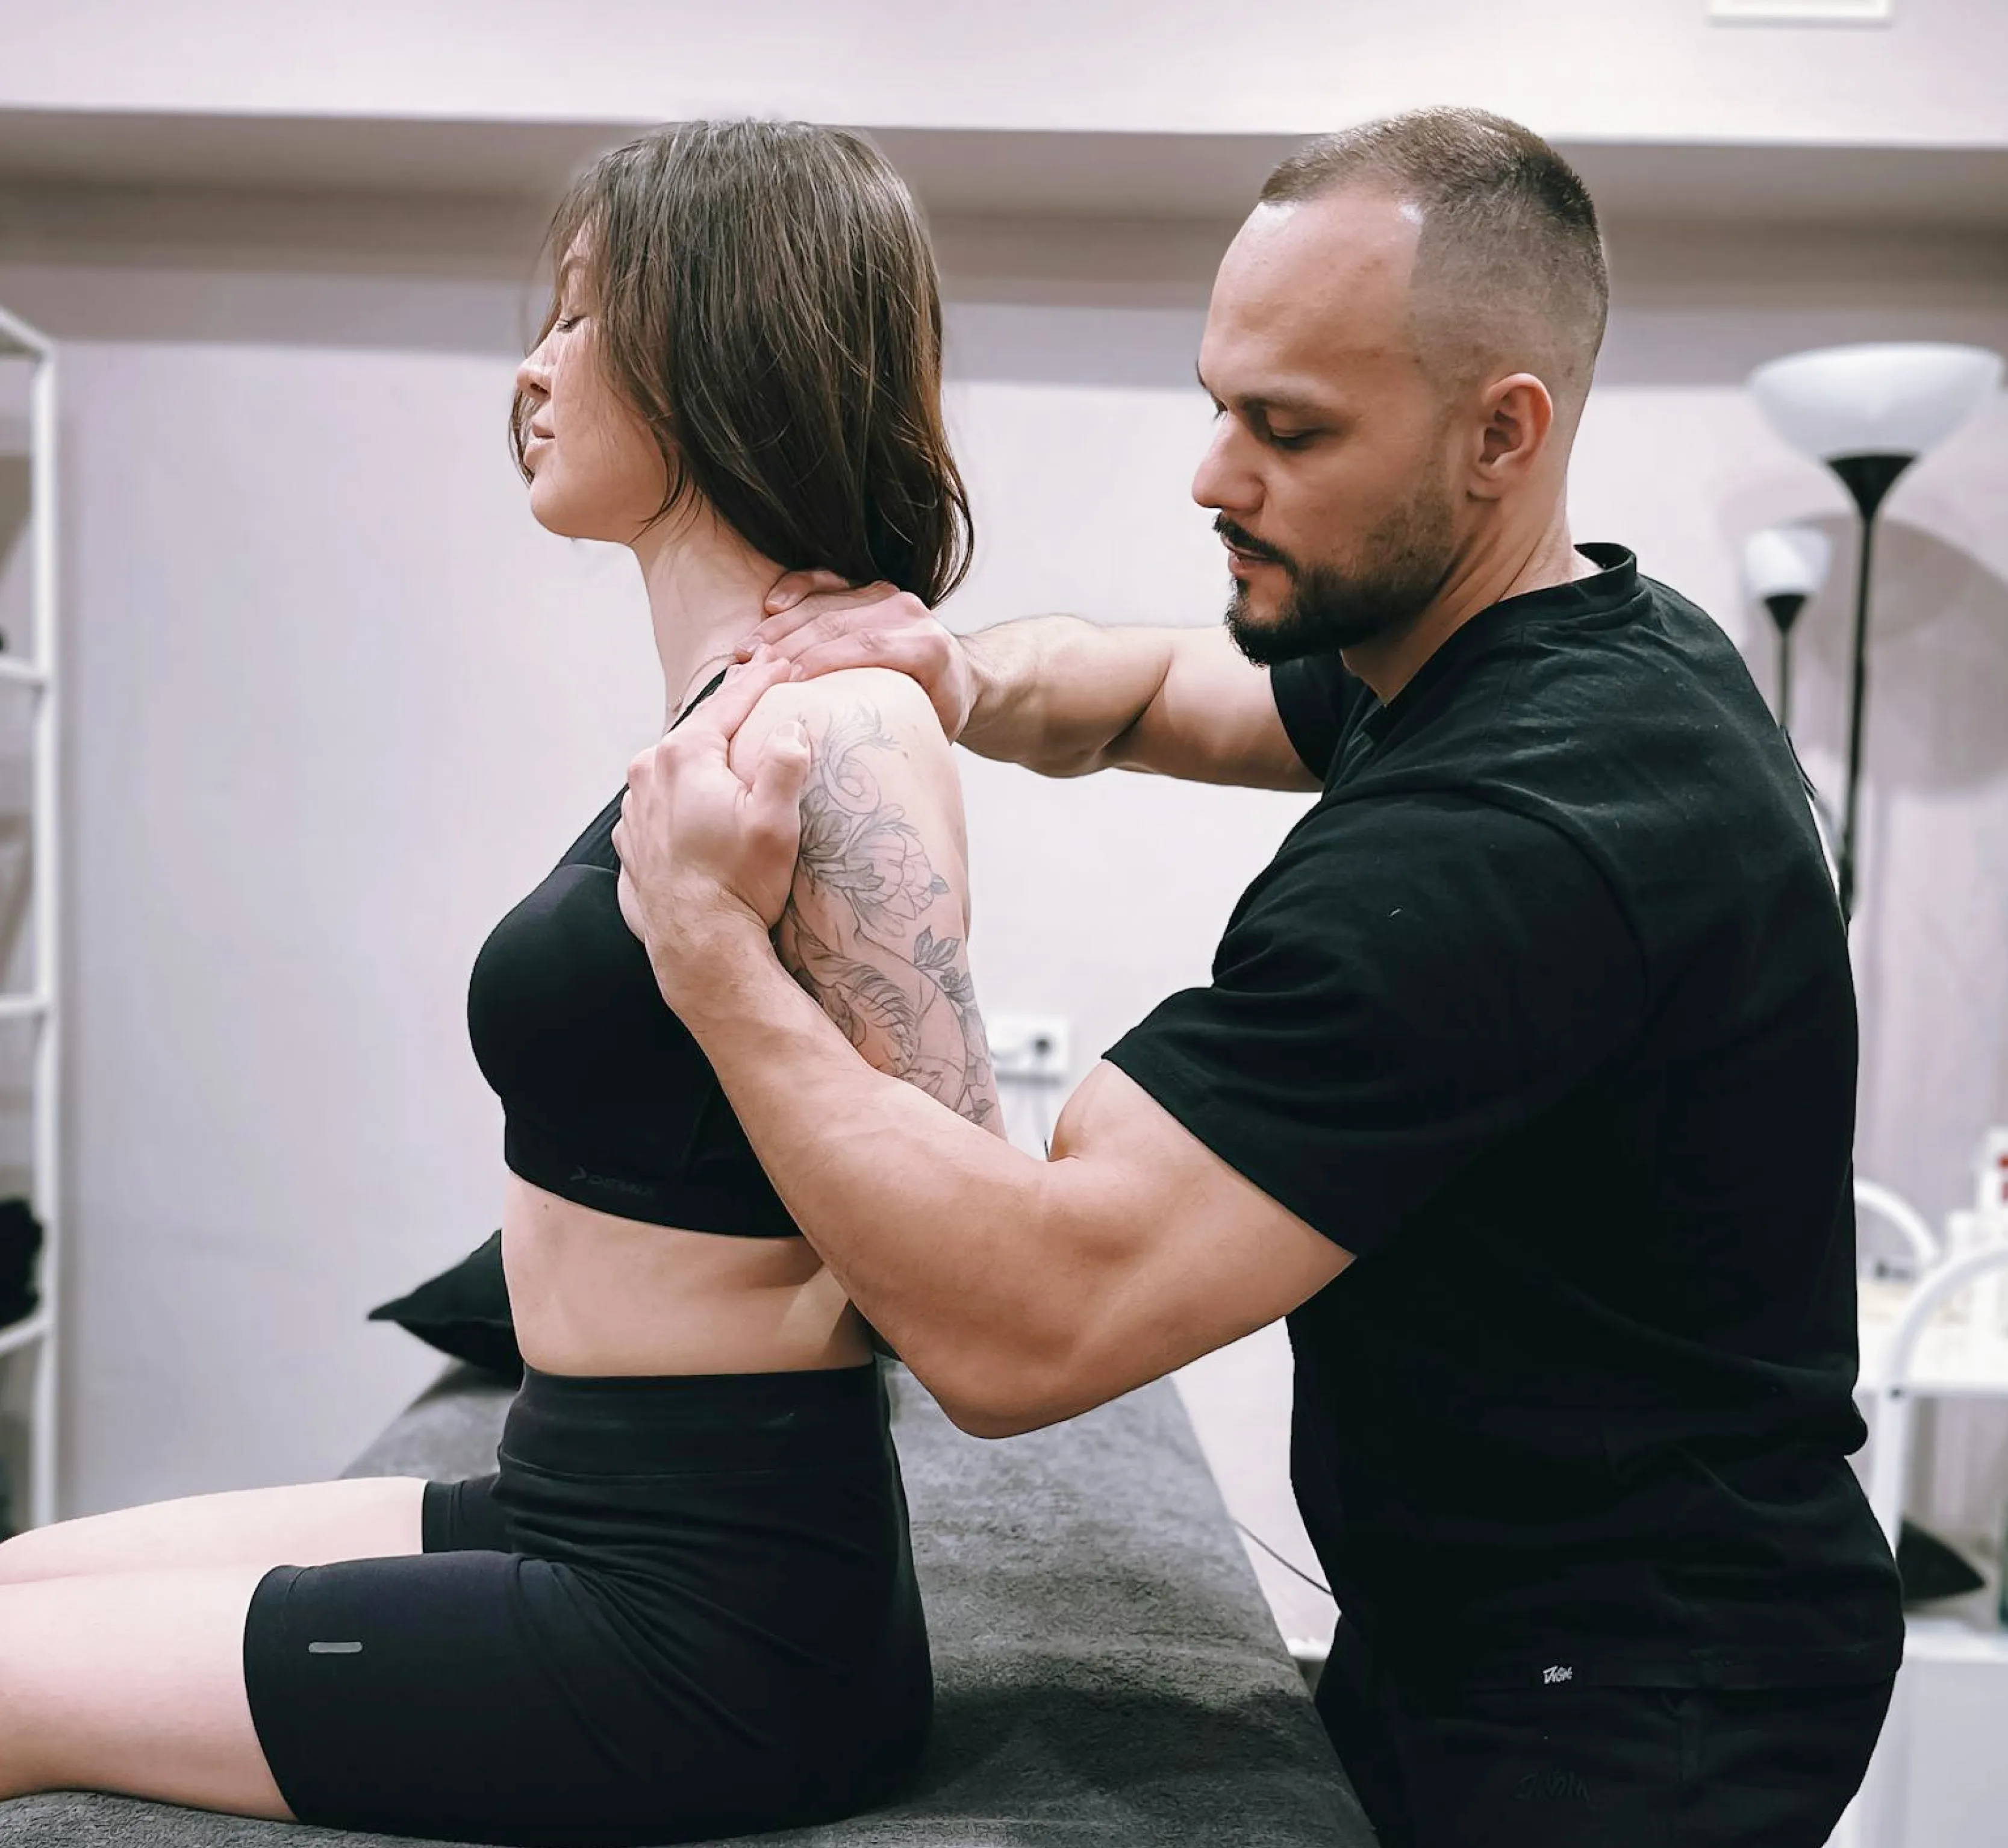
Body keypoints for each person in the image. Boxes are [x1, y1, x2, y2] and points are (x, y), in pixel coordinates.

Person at [614, 108, 1904, 1848]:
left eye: (1286, 429)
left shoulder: (1513, 836)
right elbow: (1151, 690)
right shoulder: (1538, 634)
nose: (1213, 475)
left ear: (1498, 436)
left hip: (1631, 1702)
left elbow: (1028, 1323)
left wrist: (709, 957)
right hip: (1487, 1625)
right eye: (1217, 401)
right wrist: (944, 671)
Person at [0, 121, 997, 1845]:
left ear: (717, 336)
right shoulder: (733, 714)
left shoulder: (836, 728)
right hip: (575, 1496)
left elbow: (963, 1247)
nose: (530, 371)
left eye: (579, 315)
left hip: (707, 1623)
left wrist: (703, 963)